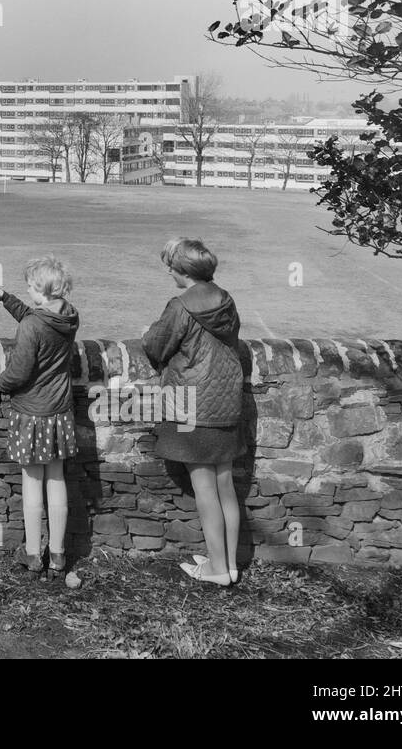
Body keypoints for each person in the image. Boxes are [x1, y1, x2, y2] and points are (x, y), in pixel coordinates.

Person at [141, 237, 245, 587]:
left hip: (192, 404)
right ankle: (228, 563)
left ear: (183, 271)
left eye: (171, 265)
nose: (168, 270)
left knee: (204, 489)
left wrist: (147, 335)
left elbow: (157, 346)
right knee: (225, 485)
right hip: (227, 401)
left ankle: (216, 570)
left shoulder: (180, 305)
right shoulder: (225, 299)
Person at [0, 256, 81, 585]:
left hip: (32, 413)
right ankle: (58, 554)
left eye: (30, 287)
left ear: (41, 290)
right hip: (60, 411)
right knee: (57, 480)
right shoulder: (69, 316)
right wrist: (5, 298)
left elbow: (20, 370)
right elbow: (37, 320)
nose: (28, 291)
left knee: (32, 482)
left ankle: (34, 553)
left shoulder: (32, 326)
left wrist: (0, 382)